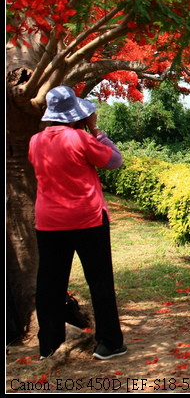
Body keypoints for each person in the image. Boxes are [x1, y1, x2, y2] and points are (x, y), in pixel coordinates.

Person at [28, 85, 127, 360]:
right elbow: (114, 160)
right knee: (99, 280)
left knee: (49, 282)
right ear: (76, 115)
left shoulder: (35, 141)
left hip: (48, 222)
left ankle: (48, 345)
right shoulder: (81, 139)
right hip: (87, 219)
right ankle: (109, 343)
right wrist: (96, 130)